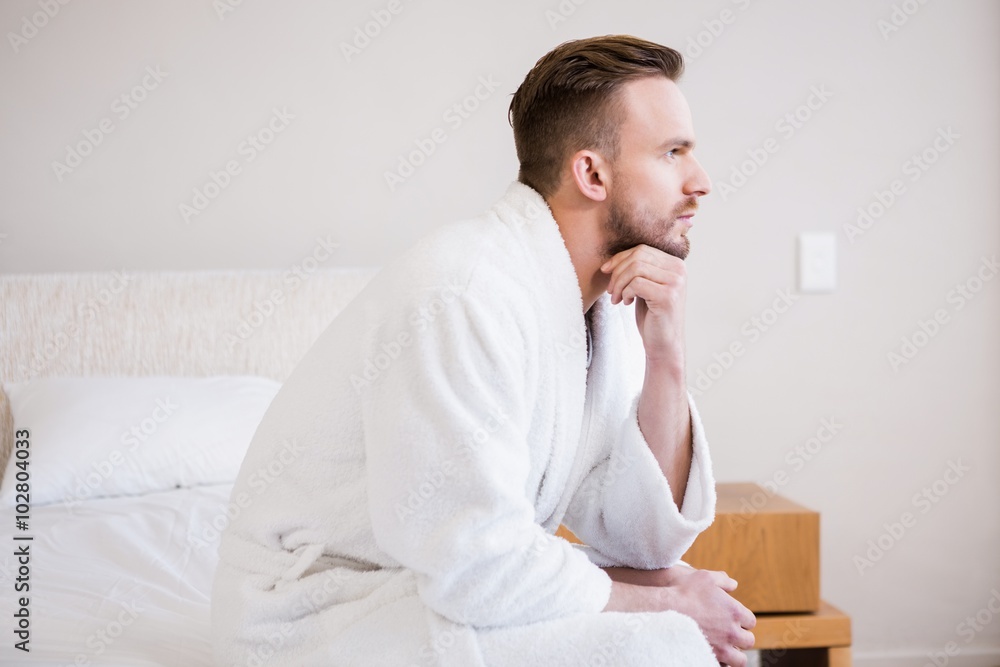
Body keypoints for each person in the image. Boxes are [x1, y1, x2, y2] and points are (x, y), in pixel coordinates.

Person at [211, 34, 756, 666]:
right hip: (317, 615)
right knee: (663, 640)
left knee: (677, 597)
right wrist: (660, 606)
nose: (701, 182)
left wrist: (667, 357)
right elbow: (473, 561)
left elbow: (642, 539)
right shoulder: (463, 294)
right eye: (672, 153)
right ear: (592, 174)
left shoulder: (598, 307)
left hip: (428, 585)